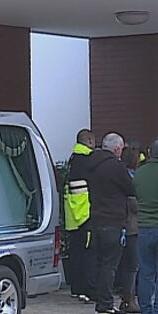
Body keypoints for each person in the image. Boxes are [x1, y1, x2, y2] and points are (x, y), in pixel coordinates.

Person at [82, 132, 135, 314]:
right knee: (110, 265)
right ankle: (105, 305)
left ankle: (100, 301)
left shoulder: (90, 164)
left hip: (95, 218)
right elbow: (130, 188)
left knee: (99, 262)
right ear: (117, 148)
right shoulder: (116, 166)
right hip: (113, 220)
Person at [134, 138, 158, 314]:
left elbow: (135, 196)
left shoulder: (139, 173)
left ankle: (145, 309)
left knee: (145, 271)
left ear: (149, 152)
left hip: (144, 226)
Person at [63, 129, 97, 302]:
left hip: (72, 215)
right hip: (84, 213)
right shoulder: (87, 159)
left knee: (75, 254)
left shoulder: (73, 159)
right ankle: (86, 289)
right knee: (87, 254)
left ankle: (76, 288)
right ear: (89, 140)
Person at [115, 146, 141, 313]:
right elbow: (133, 203)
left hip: (119, 224)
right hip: (132, 226)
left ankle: (126, 296)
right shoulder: (132, 178)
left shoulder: (117, 174)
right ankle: (128, 299)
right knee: (132, 265)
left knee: (124, 265)